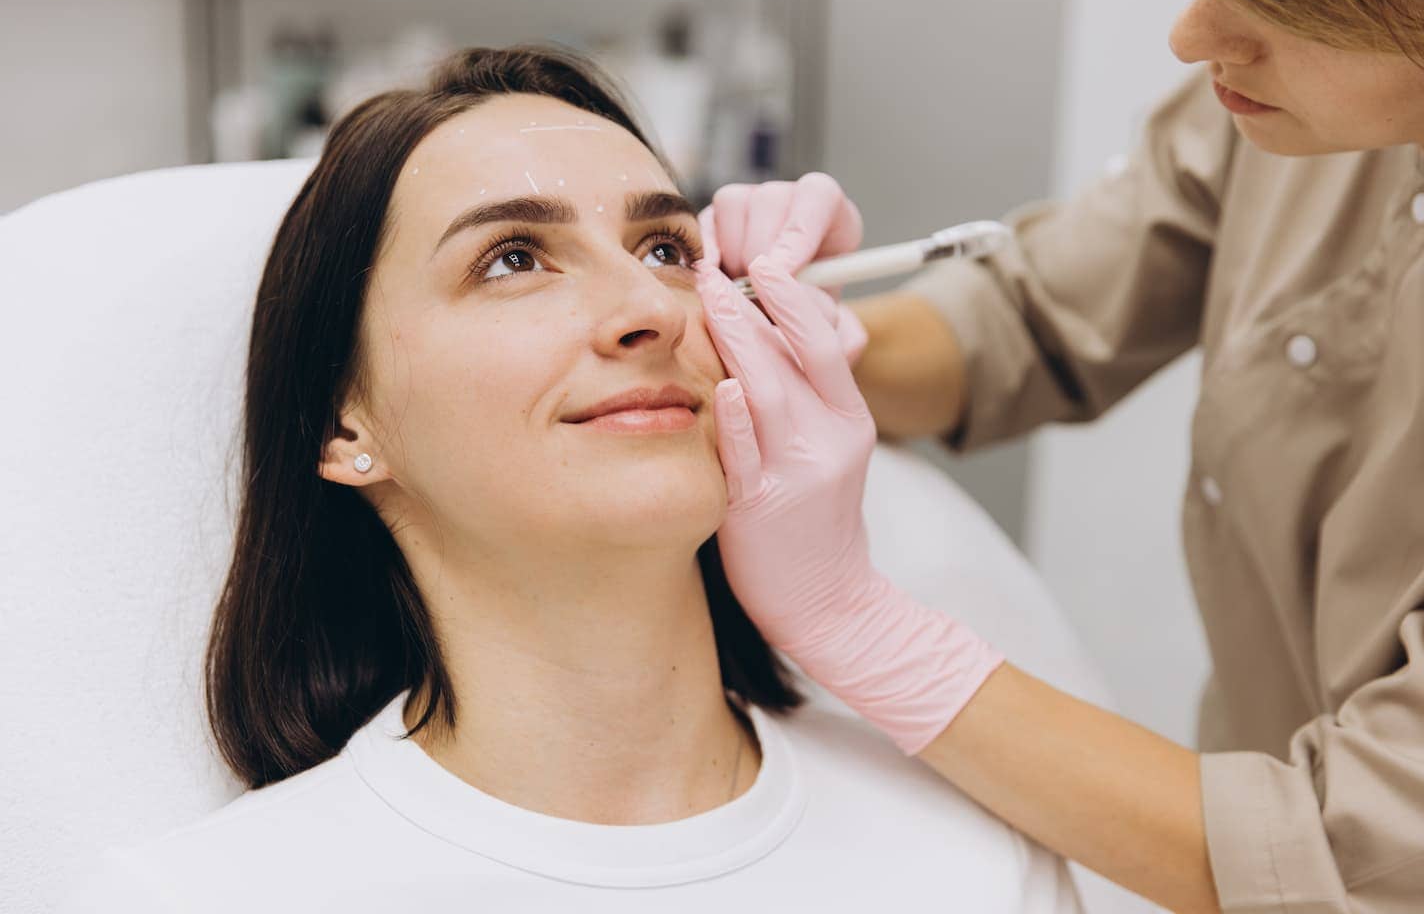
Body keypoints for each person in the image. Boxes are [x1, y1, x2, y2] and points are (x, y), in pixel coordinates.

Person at [58, 45, 1080, 913]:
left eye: (669, 247)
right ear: (344, 421)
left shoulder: (978, 859)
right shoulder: (194, 900)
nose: (652, 306)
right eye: (512, 259)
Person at [694, 0, 1424, 914]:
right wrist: (813, 346)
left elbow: (1338, 843)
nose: (1192, 35)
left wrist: (867, 634)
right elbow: (1034, 314)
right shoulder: (1285, 108)